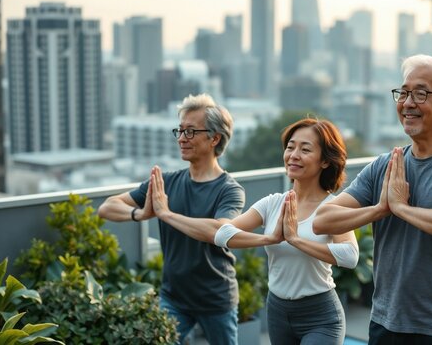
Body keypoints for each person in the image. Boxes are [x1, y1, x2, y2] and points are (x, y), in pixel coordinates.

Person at [313, 54, 432, 345]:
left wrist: (402, 208)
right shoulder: (385, 165)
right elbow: (322, 220)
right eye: (404, 92)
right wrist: (381, 208)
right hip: (385, 321)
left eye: (420, 93)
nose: (407, 103)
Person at [149, 118, 359, 345]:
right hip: (278, 311)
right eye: (290, 147)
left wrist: (295, 240)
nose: (294, 154)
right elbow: (222, 235)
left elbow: (350, 256)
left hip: (320, 315)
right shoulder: (272, 204)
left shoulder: (332, 207)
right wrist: (269, 238)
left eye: (305, 149)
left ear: (325, 161)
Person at [97, 94, 245, 345]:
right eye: (179, 131)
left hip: (215, 299)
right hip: (174, 298)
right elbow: (107, 207)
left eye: (190, 132)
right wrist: (140, 213)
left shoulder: (229, 190)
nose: (181, 139)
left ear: (214, 138)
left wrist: (166, 214)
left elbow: (219, 230)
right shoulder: (166, 181)